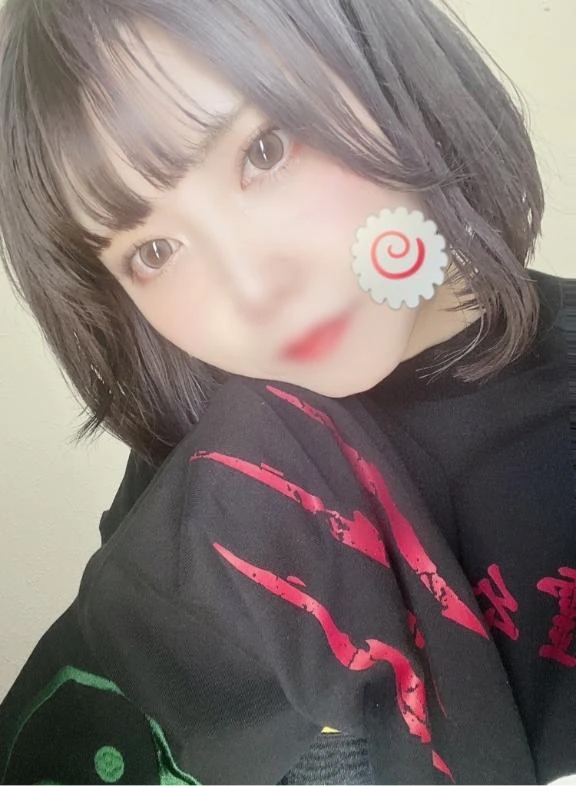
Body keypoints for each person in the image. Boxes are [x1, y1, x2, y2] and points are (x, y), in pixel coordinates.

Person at [0, 0, 574, 783]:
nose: (251, 290)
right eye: (155, 250)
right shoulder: (211, 471)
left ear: (382, 64)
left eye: (265, 150)